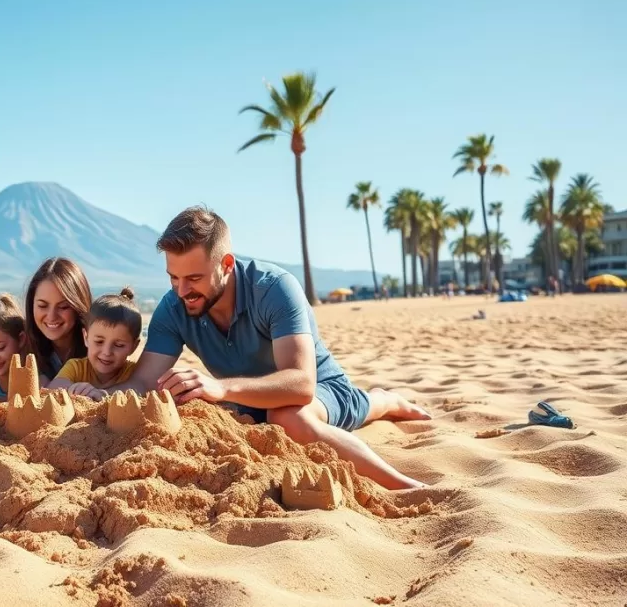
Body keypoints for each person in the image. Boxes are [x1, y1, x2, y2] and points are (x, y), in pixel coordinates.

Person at [110, 206, 431, 491]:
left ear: (226, 264)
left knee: (287, 416)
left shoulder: (275, 288)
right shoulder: (173, 305)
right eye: (173, 278)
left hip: (320, 389)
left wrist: (219, 387)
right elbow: (141, 383)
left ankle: (402, 473)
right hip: (246, 403)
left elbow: (301, 386)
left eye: (194, 278)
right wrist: (92, 394)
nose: (182, 291)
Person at [48, 288, 142, 401]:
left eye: (119, 345)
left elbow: (142, 391)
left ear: (134, 346)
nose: (107, 352)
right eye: (99, 342)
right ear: (86, 337)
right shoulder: (76, 367)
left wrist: (103, 395)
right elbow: (52, 388)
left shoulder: (134, 373)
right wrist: (73, 390)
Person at [24, 257, 92, 379]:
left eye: (63, 307)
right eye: (42, 306)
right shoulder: (20, 347)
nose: (51, 316)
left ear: (79, 306)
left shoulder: (99, 349)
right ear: (31, 304)